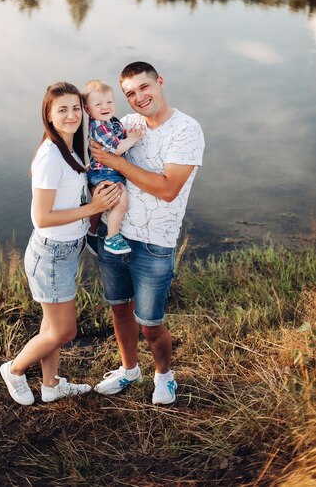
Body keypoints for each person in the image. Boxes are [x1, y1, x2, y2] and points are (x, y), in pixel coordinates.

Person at [90, 62, 205, 405]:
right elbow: (94, 150)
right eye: (130, 93)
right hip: (115, 235)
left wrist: (117, 162)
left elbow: (168, 189)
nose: (139, 97)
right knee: (120, 310)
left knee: (151, 323)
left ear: (160, 82)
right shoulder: (126, 123)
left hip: (155, 244)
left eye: (144, 87)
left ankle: (164, 376)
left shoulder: (186, 129)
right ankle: (129, 370)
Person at [0, 82, 120, 405]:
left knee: (51, 324)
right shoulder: (50, 156)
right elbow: (42, 217)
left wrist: (96, 209)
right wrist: (92, 208)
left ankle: (51, 385)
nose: (71, 115)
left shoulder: (70, 150)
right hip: (51, 254)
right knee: (64, 331)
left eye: (76, 108)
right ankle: (13, 369)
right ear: (49, 116)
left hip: (68, 251)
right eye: (62, 110)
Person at [82, 79, 144, 255]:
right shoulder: (100, 126)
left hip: (104, 170)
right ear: (88, 109)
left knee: (108, 201)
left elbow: (118, 135)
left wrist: (127, 134)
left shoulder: (110, 121)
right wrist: (132, 139)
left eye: (109, 102)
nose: (105, 107)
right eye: (98, 104)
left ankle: (91, 231)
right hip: (105, 172)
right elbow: (116, 150)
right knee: (120, 199)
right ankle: (112, 237)